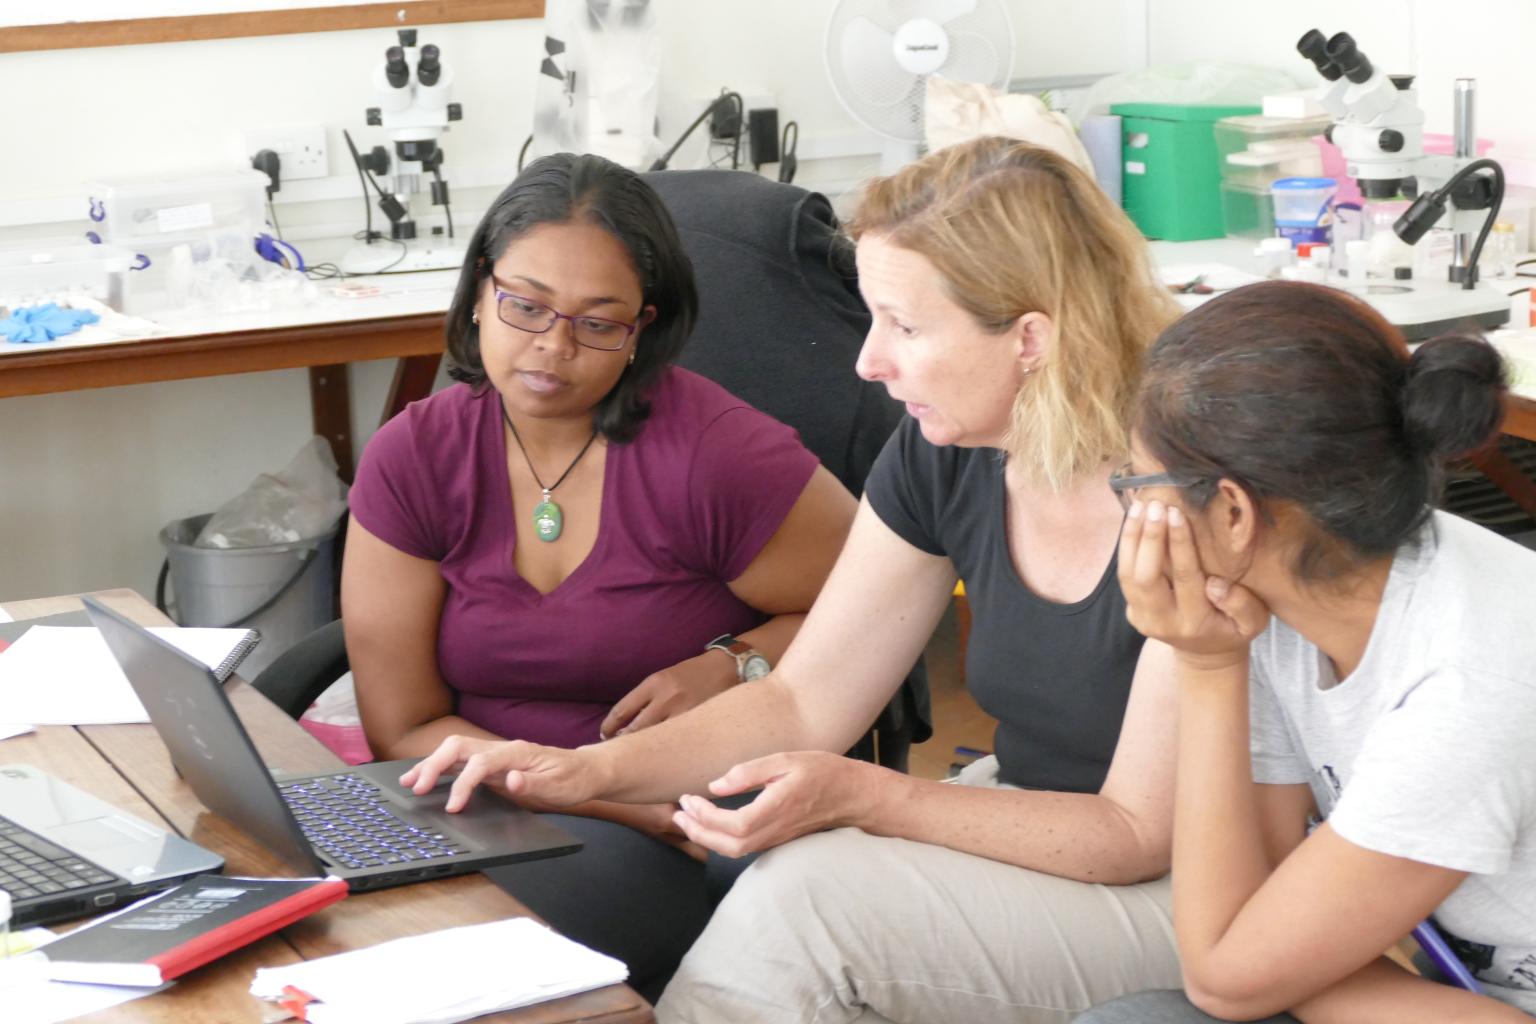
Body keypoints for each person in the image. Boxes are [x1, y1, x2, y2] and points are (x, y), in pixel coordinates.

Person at [403, 135, 1191, 1024]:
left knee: (812, 909)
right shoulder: (948, 454)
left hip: (1191, 888)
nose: (867, 363)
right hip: (1033, 821)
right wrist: (587, 771)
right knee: (790, 879)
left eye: (905, 326)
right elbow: (803, 700)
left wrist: (872, 794)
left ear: (1030, 340)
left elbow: (1136, 834)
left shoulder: (1188, 495)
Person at [341, 152, 857, 1001]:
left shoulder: (719, 457)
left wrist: (732, 661)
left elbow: (874, 620)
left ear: (644, 329)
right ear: (480, 290)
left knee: (459, 975)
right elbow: (401, 728)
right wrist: (598, 796)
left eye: (597, 322)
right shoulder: (416, 455)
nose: (552, 347)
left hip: (672, 819)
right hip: (486, 798)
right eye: (525, 306)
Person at [1079, 281, 1536, 1023]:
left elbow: (1227, 975)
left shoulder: (1468, 683)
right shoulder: (1291, 594)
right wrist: (1217, 662)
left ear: (1232, 511)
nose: (1129, 506)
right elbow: (1242, 928)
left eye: (1135, 481)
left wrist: (1203, 670)